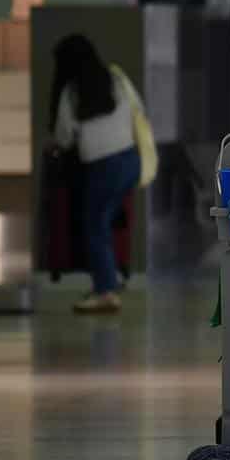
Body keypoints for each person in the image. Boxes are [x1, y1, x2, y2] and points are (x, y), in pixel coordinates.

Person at [51, 35, 143, 314]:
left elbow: (64, 136)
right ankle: (109, 278)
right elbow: (137, 110)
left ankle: (105, 291)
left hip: (102, 166)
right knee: (104, 223)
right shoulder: (116, 79)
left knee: (95, 227)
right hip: (129, 160)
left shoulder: (72, 91)